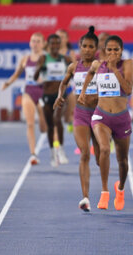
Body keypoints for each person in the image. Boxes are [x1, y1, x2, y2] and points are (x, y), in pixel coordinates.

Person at [78, 35, 133, 211]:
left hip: (121, 118)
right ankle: (104, 191)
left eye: (116, 49)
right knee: (103, 149)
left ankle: (121, 188)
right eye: (109, 49)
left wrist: (114, 70)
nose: (112, 53)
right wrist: (83, 92)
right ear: (104, 50)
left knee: (122, 160)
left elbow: (129, 89)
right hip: (101, 116)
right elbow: (90, 75)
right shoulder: (97, 65)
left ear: (121, 51)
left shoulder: (127, 65)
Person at [54, 26, 100, 212]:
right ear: (80, 47)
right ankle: (85, 197)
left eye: (91, 47)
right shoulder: (74, 66)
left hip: (98, 114)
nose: (87, 49)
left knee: (100, 156)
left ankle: (105, 185)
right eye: (84, 46)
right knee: (84, 154)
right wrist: (60, 95)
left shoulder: (100, 66)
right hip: (80, 113)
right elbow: (64, 82)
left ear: (96, 49)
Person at [2, 32, 47, 165]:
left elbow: (55, 76)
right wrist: (7, 83)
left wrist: (44, 79)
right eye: (33, 41)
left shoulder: (47, 58)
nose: (35, 44)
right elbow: (16, 75)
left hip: (43, 92)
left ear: (43, 44)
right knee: (30, 123)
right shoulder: (25, 59)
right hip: (29, 91)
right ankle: (33, 154)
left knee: (44, 128)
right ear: (29, 43)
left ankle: (41, 113)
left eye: (38, 41)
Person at [34, 34, 72, 167]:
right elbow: (35, 76)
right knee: (50, 126)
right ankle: (52, 153)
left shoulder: (65, 59)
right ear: (48, 45)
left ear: (60, 45)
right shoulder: (44, 58)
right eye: (52, 43)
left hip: (60, 96)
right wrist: (40, 68)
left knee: (57, 120)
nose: (55, 46)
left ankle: (61, 150)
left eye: (57, 43)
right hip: (46, 96)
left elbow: (74, 72)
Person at [56, 29, 76, 133]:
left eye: (62, 37)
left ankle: (69, 121)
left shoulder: (70, 53)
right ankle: (56, 142)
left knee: (68, 116)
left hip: (67, 86)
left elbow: (76, 70)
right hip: (54, 87)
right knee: (56, 116)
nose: (59, 39)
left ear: (66, 39)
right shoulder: (50, 53)